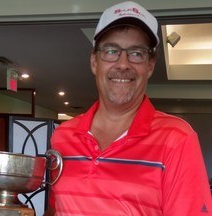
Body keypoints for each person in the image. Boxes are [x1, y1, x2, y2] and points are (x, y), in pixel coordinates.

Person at [45, 1, 212, 215]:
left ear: (150, 65)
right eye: (112, 50)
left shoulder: (177, 138)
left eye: (136, 53)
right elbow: (55, 208)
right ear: (94, 61)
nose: (123, 64)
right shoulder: (62, 136)